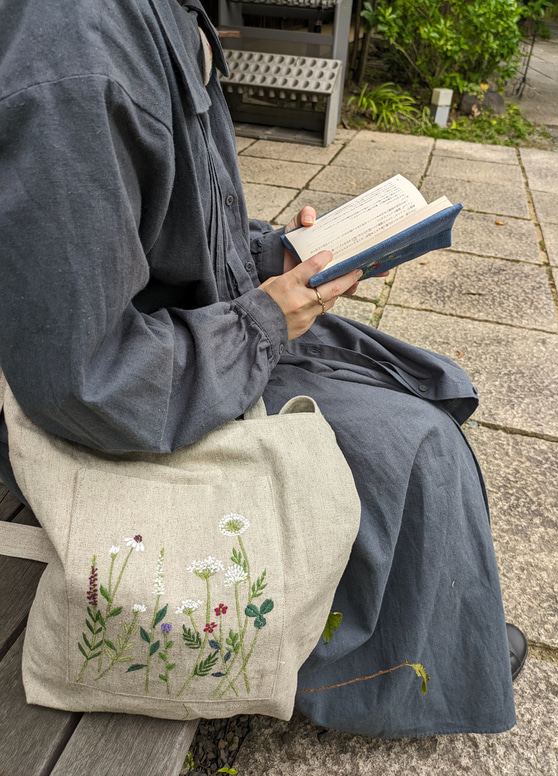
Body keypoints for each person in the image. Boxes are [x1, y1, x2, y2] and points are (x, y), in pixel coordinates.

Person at [0, 0, 525, 738]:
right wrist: (263, 319)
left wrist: (273, 257)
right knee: (406, 443)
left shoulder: (161, 14)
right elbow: (81, 377)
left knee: (406, 379)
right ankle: (386, 670)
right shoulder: (76, 60)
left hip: (181, 338)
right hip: (123, 388)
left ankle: (438, 630)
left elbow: (169, 230)